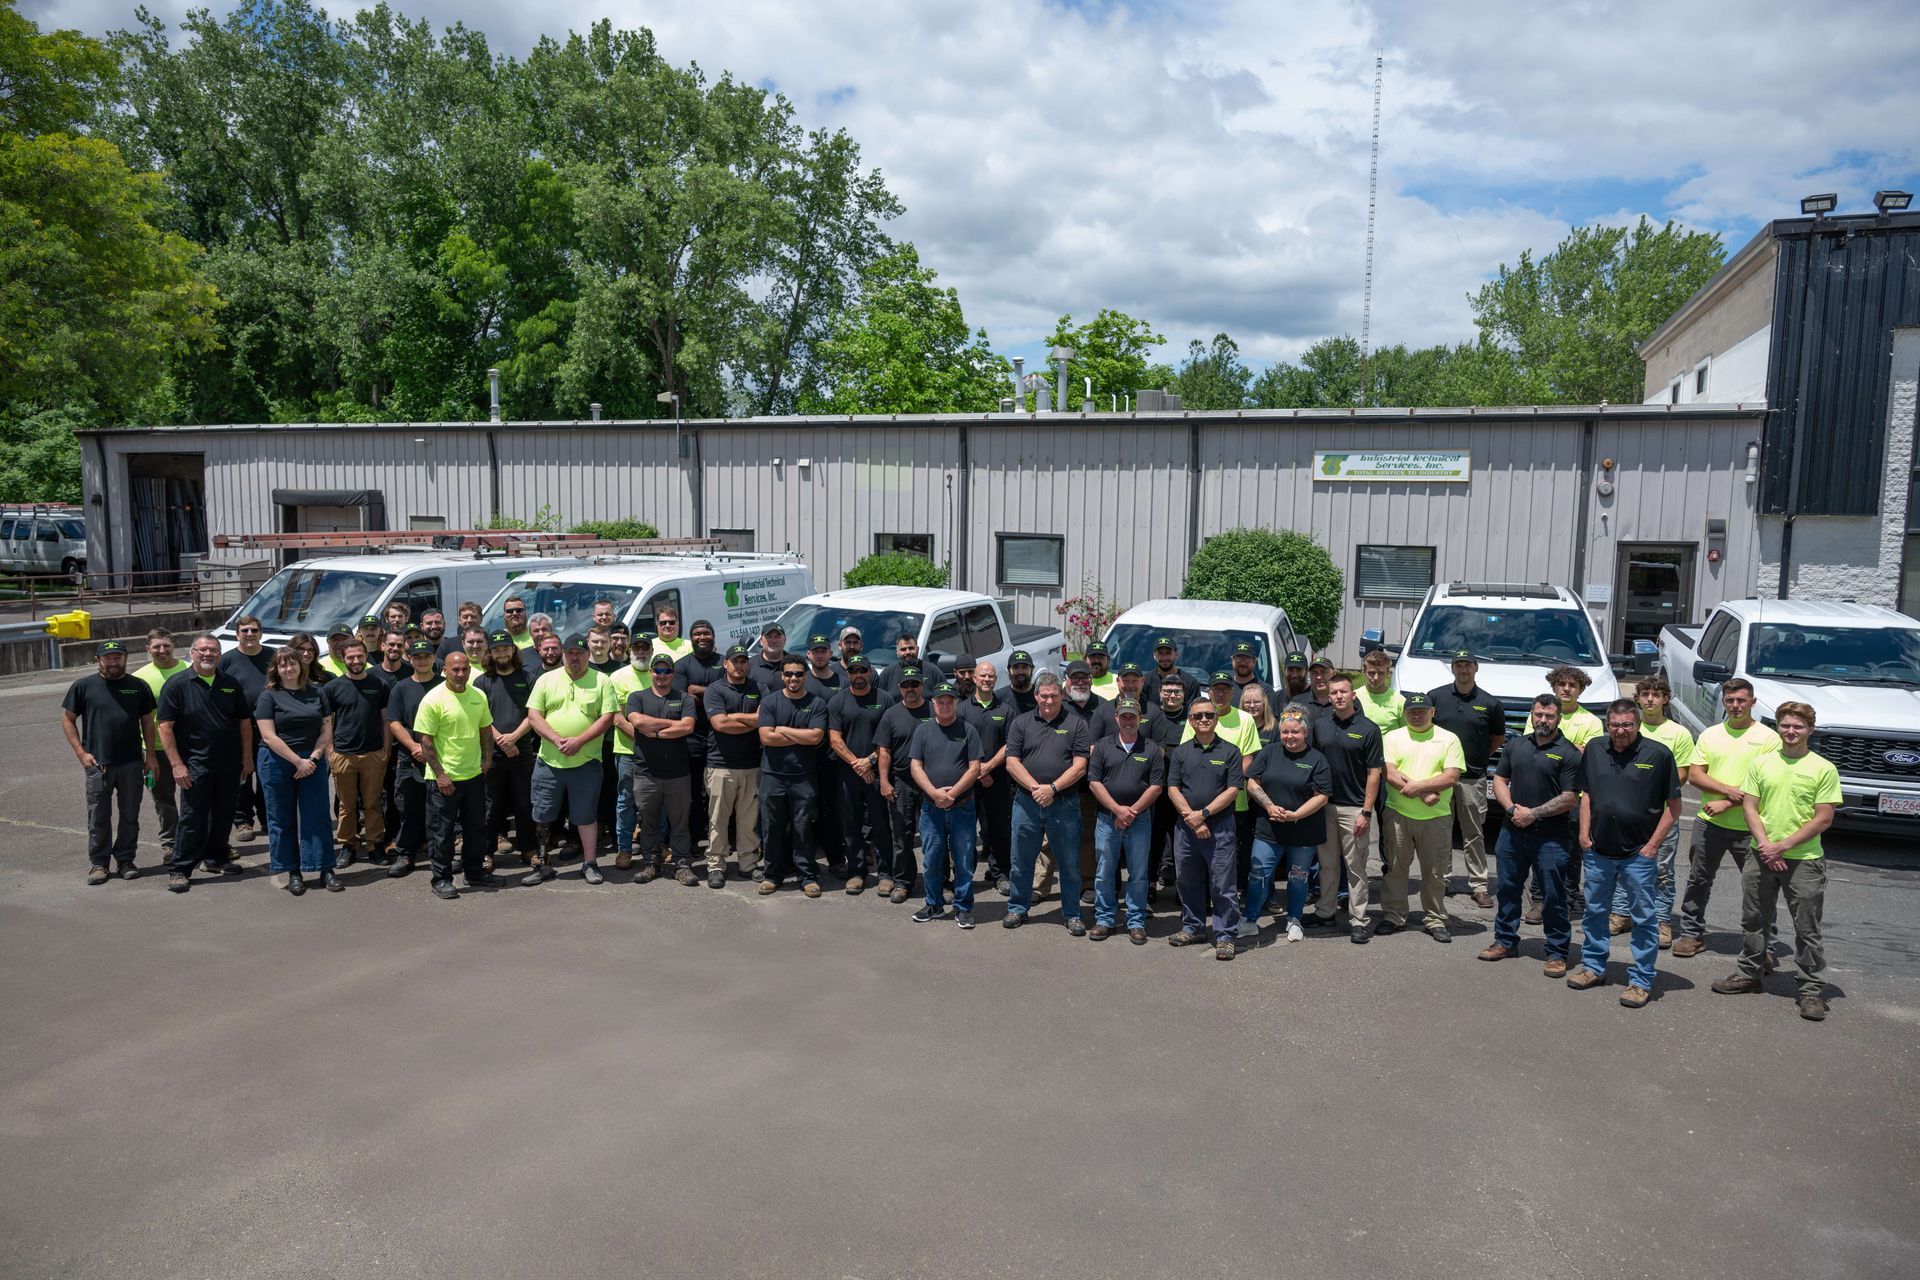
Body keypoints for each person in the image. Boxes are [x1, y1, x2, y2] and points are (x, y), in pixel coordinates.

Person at [1711, 701, 1840, 1020]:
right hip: (1761, 854)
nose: (1791, 731)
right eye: (1785, 725)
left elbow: (1823, 819)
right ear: (1778, 727)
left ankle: (1811, 990)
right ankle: (1749, 974)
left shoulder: (1823, 768)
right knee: (1754, 918)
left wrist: (1782, 846)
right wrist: (1766, 845)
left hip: (1804, 859)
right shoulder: (1762, 763)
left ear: (1810, 729)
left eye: (1798, 726)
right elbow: (1750, 807)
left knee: (1807, 927)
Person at [1569, 699, 1681, 1008]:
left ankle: (1641, 980)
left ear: (1639, 724)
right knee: (1594, 914)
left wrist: (1652, 846)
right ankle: (1593, 967)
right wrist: (1583, 834)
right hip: (1598, 851)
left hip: (1638, 855)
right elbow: (1587, 793)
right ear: (1608, 724)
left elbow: (1674, 808)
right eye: (1615, 725)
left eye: (1627, 725)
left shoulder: (1657, 755)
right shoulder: (1594, 749)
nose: (1621, 731)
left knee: (1644, 919)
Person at [1673, 678, 1782, 959]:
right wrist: (1729, 792)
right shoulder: (1711, 735)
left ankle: (1763, 947)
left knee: (1759, 888)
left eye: (1741, 700)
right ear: (1723, 701)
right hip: (1709, 823)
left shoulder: (1769, 739)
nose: (1735, 706)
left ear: (1753, 703)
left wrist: (1727, 802)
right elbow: (1696, 775)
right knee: (1698, 880)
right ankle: (1691, 934)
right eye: (1730, 700)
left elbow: (1770, 783)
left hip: (1752, 828)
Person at [1482, 695, 1582, 975]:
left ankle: (1557, 952)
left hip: (1551, 836)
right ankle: (1504, 940)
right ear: (1532, 715)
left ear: (1559, 718)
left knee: (1553, 895)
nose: (1543, 720)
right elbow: (1500, 779)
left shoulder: (1569, 753)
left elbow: (1569, 798)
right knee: (1507, 889)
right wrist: (1512, 808)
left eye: (1549, 716)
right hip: (1511, 831)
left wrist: (1533, 813)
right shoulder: (1516, 745)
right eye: (1538, 715)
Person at [156, 634, 254, 892]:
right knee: (192, 818)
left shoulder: (230, 683)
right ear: (192, 653)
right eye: (203, 650)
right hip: (194, 766)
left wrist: (246, 758)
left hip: (229, 765)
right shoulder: (177, 684)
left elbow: (244, 721)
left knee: (223, 815)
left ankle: (215, 859)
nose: (208, 654)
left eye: (213, 650)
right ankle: (180, 869)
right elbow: (165, 726)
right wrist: (177, 765)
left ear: (220, 655)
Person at [62, 639, 159, 884]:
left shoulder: (138, 686)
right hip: (98, 764)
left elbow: (147, 721)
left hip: (131, 763)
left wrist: (150, 756)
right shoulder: (83, 686)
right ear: (99, 660)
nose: (113, 662)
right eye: (108, 658)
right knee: (98, 816)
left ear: (125, 659)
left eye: (117, 657)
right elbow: (67, 720)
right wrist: (80, 753)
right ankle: (99, 864)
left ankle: (126, 860)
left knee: (129, 815)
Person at [1003, 671, 1092, 933]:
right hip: (1026, 803)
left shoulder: (1077, 724)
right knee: (1021, 860)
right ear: (1036, 696)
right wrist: (1036, 789)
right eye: (1044, 696)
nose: (1050, 700)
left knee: (1069, 863)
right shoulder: (1021, 723)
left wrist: (1052, 789)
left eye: (1054, 695)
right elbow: (1011, 762)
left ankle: (1072, 913)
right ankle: (1017, 908)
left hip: (1064, 802)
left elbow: (1080, 766)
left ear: (1062, 695)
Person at [524, 633, 615, 885]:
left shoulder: (602, 681)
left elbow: (607, 718)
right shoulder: (546, 680)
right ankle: (542, 864)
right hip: (548, 762)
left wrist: (579, 741)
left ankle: (590, 863)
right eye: (570, 653)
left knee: (585, 817)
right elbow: (534, 715)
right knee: (542, 814)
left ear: (588, 654)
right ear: (563, 655)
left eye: (580, 653)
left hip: (586, 762)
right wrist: (556, 739)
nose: (574, 657)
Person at [1611, 674, 1695, 948]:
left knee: (1662, 870)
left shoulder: (1678, 733)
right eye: (1645, 694)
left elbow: (1683, 773)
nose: (1650, 699)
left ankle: (1661, 920)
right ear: (1637, 699)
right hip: (1627, 813)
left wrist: (1649, 787)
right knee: (1623, 865)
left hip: (1660, 813)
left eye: (1656, 695)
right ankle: (1621, 913)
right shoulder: (1628, 727)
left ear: (1665, 699)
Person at [1379, 692, 1464, 943]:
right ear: (1405, 714)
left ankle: (1435, 919)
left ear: (1432, 712)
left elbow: (1451, 776)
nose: (1417, 715)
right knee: (1395, 868)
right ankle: (1394, 916)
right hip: (1398, 814)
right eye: (1412, 711)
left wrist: (1417, 788)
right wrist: (1424, 793)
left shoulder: (1448, 739)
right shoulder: (1393, 737)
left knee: (1435, 872)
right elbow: (1389, 772)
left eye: (1422, 711)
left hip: (1436, 817)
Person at [1243, 706, 1331, 943]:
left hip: (1303, 831)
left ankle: (1294, 919)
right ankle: (1249, 920)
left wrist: (1296, 815)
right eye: (1285, 732)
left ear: (1305, 733)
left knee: (1298, 877)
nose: (1289, 737)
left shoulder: (1316, 759)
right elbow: (1252, 782)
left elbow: (1322, 795)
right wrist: (1269, 806)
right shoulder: (1269, 752)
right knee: (1258, 874)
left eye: (1295, 732)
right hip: (1268, 828)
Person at [255, 645, 339, 894]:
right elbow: (269, 737)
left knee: (318, 814)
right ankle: (293, 871)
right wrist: (297, 761)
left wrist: (312, 758)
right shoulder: (268, 696)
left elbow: (326, 728)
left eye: (292, 663)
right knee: (282, 816)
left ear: (301, 665)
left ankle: (325, 868)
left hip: (312, 758)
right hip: (278, 760)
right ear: (276, 669)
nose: (288, 668)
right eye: (283, 665)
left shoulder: (317, 692)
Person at [1166, 702, 1246, 960]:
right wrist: (1192, 818)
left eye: (1209, 715)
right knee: (1187, 881)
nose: (1203, 719)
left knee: (1222, 884)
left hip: (1219, 827)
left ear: (1216, 719)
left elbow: (1233, 790)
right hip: (1186, 828)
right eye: (1198, 715)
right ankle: (1193, 927)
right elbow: (1172, 788)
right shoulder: (1180, 752)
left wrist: (1204, 815)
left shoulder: (1231, 751)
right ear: (1190, 720)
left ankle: (1225, 936)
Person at [1427, 650, 1505, 909]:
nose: (1463, 670)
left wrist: (1477, 757)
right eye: (1458, 665)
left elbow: (1496, 739)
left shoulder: (1490, 703)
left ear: (1476, 668)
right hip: (1440, 777)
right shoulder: (1436, 697)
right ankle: (1444, 879)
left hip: (1472, 777)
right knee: (1442, 830)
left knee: (1474, 833)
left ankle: (1479, 885)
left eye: (1468, 665)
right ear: (1452, 669)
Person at [413, 650, 495, 899]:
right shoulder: (433, 699)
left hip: (473, 775)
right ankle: (441, 878)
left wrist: (487, 759)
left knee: (475, 828)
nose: (460, 674)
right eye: (455, 670)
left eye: (465, 669)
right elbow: (425, 742)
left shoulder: (478, 695)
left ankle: (474, 872)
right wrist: (441, 775)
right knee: (442, 832)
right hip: (444, 780)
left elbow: (485, 730)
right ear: (444, 671)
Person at [1310, 673, 1384, 942]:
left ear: (1353, 695)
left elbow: (1374, 774)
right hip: (1325, 806)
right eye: (1334, 693)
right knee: (1327, 865)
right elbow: (1315, 762)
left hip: (1354, 809)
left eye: (1343, 692)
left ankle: (1358, 919)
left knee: (1356, 867)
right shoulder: (1320, 726)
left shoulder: (1368, 729)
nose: (1338, 696)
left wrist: (1366, 811)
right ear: (1328, 697)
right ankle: (1326, 912)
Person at [1086, 698, 1165, 943]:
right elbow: (1094, 782)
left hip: (1139, 820)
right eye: (1124, 716)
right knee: (1104, 872)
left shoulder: (1151, 748)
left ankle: (1136, 921)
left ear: (1140, 718)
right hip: (1107, 818)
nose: (1128, 721)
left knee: (1139, 873)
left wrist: (1131, 812)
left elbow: (1156, 787)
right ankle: (1105, 919)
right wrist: (1117, 810)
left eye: (1133, 716)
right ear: (1116, 718)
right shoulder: (1102, 746)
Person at [908, 681, 985, 925]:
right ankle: (934, 905)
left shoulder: (968, 730)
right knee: (931, 859)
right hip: (932, 807)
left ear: (955, 703)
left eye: (948, 701)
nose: (944, 705)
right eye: (940, 701)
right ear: (933, 704)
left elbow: (975, 768)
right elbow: (915, 766)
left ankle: (963, 907)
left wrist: (951, 795)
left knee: (963, 859)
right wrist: (934, 793)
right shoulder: (922, 731)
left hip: (962, 806)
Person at [757, 655, 829, 895]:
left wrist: (784, 730)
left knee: (803, 828)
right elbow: (766, 737)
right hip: (773, 776)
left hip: (803, 777)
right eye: (789, 674)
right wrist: (801, 735)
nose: (793, 678)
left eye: (798, 674)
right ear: (782, 676)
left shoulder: (817, 703)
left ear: (805, 676)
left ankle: (807, 877)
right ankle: (772, 875)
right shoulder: (769, 702)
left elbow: (816, 737)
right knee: (772, 827)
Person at [625, 654, 698, 885]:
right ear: (651, 672)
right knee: (648, 822)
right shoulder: (637, 697)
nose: (662, 676)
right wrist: (672, 725)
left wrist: (656, 731)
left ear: (673, 674)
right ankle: (650, 863)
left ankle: (682, 864)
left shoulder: (684, 698)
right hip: (646, 773)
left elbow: (688, 727)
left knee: (680, 822)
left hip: (678, 773)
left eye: (667, 671)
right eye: (658, 670)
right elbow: (637, 722)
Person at [321, 639, 391, 868]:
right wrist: (330, 751)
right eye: (350, 657)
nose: (356, 661)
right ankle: (348, 845)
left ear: (365, 657)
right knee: (346, 805)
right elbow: (327, 723)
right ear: (343, 658)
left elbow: (386, 721)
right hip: (343, 754)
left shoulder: (378, 685)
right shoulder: (333, 687)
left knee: (372, 803)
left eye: (360, 656)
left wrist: (385, 750)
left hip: (372, 753)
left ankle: (374, 845)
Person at [828, 656, 894, 895]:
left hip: (878, 773)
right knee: (850, 823)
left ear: (869, 673)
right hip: (848, 774)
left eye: (862, 670)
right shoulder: (838, 701)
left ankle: (886, 873)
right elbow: (835, 740)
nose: (857, 674)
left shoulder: (884, 699)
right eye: (853, 670)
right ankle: (856, 872)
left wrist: (870, 762)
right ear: (848, 674)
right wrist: (858, 764)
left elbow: (889, 738)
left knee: (881, 824)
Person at [475, 630, 538, 869]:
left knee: (524, 803)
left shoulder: (527, 676)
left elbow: (534, 713)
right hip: (492, 754)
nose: (502, 653)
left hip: (522, 751)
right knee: (491, 805)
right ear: (490, 652)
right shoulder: (482, 681)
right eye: (496, 649)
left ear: (513, 650)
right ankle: (487, 852)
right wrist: (502, 739)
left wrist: (513, 738)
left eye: (505, 648)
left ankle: (528, 849)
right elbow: (479, 717)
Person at [704, 643, 765, 883]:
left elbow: (764, 719)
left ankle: (748, 864)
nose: (739, 665)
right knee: (718, 819)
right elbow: (720, 724)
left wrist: (735, 716)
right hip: (721, 765)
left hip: (752, 764)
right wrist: (750, 722)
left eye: (743, 661)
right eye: (735, 661)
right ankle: (715, 865)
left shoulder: (759, 687)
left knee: (749, 819)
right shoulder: (715, 690)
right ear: (725, 663)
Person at [382, 639, 442, 878]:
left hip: (440, 756)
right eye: (417, 657)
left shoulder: (444, 686)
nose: (422, 660)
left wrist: (430, 751)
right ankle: (406, 854)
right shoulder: (402, 687)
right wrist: (414, 746)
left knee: (439, 809)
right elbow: (394, 722)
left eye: (426, 656)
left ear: (433, 658)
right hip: (410, 757)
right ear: (411, 659)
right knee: (408, 807)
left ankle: (440, 854)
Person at [874, 664, 933, 904]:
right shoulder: (891, 714)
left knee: (936, 835)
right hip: (902, 782)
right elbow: (884, 751)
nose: (911, 689)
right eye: (906, 685)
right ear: (899, 687)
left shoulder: (934, 709)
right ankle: (903, 882)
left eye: (915, 684)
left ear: (922, 685)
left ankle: (939, 882)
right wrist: (885, 781)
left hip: (931, 782)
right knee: (902, 836)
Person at [133, 628, 189, 862]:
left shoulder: (188, 669)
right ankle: (170, 844)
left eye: (166, 645)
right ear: (148, 649)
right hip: (156, 749)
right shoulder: (140, 678)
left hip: (189, 746)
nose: (162, 650)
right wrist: (146, 752)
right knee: (164, 801)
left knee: (196, 798)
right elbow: (137, 718)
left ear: (173, 645)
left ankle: (198, 841)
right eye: (156, 646)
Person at [217, 615, 273, 844]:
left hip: (270, 726)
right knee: (242, 775)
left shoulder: (273, 656)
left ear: (260, 632)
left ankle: (268, 818)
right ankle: (243, 821)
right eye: (244, 631)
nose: (249, 634)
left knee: (268, 776)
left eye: (253, 630)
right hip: (238, 727)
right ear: (237, 633)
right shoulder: (227, 660)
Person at [961, 658, 1014, 895]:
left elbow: (1010, 744)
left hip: (998, 781)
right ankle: (964, 877)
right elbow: (958, 744)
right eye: (982, 675)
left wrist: (988, 767)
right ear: (974, 678)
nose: (986, 679)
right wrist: (978, 772)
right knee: (965, 832)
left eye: (990, 676)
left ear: (995, 679)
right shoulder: (961, 709)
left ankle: (1000, 874)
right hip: (967, 782)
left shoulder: (1005, 710)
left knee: (998, 830)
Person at [674, 619, 722, 858]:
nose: (702, 637)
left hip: (720, 735)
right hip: (691, 736)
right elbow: (683, 700)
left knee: (719, 790)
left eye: (706, 633)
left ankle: (721, 838)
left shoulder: (724, 663)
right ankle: (693, 837)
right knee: (691, 791)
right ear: (690, 638)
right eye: (697, 634)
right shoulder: (681, 665)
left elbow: (728, 695)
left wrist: (700, 691)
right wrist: (716, 697)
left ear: (713, 636)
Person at [1149, 675, 1193, 899]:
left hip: (1184, 790)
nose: (1172, 695)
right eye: (1167, 691)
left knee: (1182, 842)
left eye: (1177, 691)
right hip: (1157, 788)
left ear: (1184, 694)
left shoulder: (1193, 716)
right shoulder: (1153, 716)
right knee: (1154, 840)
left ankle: (1182, 889)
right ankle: (1150, 885)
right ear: (1160, 693)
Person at [1356, 650, 1405, 734]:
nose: (1376, 677)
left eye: (1381, 673)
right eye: (1371, 673)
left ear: (1388, 673)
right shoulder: (1354, 697)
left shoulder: (1400, 701)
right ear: (1364, 671)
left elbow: (1406, 733)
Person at [1143, 636, 1199, 705]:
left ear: (1176, 654)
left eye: (1168, 653)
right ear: (1154, 655)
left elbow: (1194, 711)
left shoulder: (1190, 683)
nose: (1164, 658)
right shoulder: (1145, 682)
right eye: (1160, 653)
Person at [750, 622, 791, 693]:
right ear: (761, 641)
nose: (773, 641)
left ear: (785, 640)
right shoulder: (749, 665)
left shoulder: (796, 663)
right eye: (769, 637)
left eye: (777, 637)